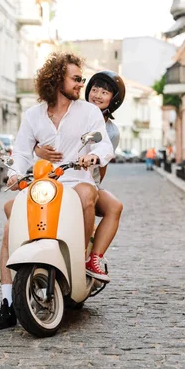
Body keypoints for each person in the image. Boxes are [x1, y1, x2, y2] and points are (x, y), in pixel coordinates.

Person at [0, 52, 114, 331]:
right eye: (76, 79)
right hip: (44, 183)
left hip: (75, 179)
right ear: (57, 78)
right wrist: (14, 173)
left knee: (86, 194)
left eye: (82, 79)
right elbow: (21, 151)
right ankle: (8, 303)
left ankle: (81, 260)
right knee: (10, 225)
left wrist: (93, 157)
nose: (81, 84)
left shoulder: (89, 112)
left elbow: (103, 145)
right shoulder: (33, 115)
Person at [35, 71, 125, 283]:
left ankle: (93, 259)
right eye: (94, 89)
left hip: (86, 181)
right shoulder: (73, 112)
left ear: (114, 99)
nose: (97, 95)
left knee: (114, 206)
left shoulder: (111, 131)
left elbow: (102, 164)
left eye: (104, 92)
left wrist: (95, 186)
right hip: (58, 177)